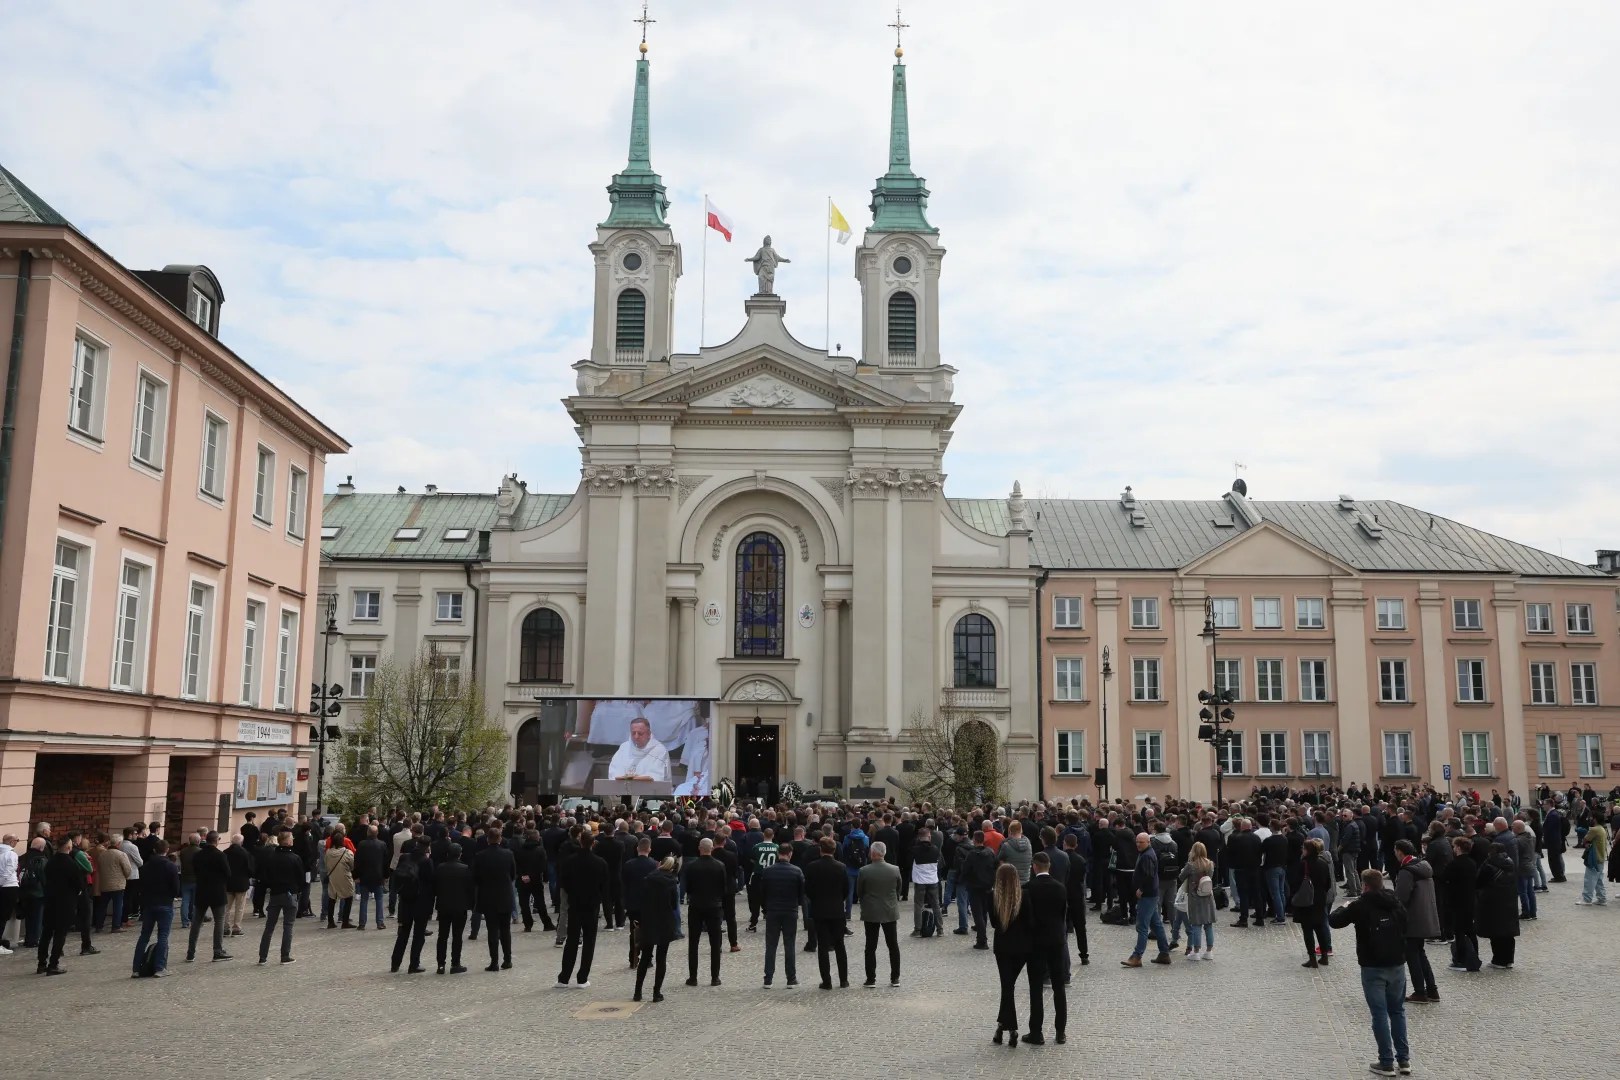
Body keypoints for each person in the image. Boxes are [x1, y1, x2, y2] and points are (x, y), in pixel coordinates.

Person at [1329, 870, 1411, 1077]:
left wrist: (1346, 905)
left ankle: (1386, 1061)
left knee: (1379, 1014)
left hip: (1372, 964)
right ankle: (1404, 1059)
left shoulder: (1360, 905)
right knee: (1398, 1011)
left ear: (1365, 886)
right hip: (1397, 962)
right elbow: (1407, 924)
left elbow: (1334, 920)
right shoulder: (1394, 902)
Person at [1024, 851, 1068, 1045]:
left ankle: (1036, 1031)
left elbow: (1026, 917)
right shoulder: (1060, 888)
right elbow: (1062, 914)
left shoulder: (1028, 888)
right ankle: (1060, 1031)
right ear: (1048, 866)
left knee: (1036, 988)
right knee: (1059, 987)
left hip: (1036, 942)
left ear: (1034, 867)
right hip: (1056, 940)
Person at [1391, 839, 1439, 1002]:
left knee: (1412, 955)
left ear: (1400, 852)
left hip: (1412, 918)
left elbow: (1401, 897)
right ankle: (1432, 989)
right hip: (1425, 915)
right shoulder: (1423, 866)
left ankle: (1420, 991)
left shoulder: (1406, 871)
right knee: (1420, 953)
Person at [557, 833, 607, 988]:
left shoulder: (569, 861)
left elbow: (563, 882)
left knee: (572, 940)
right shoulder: (600, 863)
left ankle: (564, 978)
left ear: (580, 841)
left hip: (575, 904)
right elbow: (604, 886)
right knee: (589, 941)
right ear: (593, 843)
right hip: (591, 905)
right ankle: (582, 978)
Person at [989, 862, 1031, 1047]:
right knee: (1008, 987)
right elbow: (1030, 922)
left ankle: (1009, 1028)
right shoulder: (1025, 896)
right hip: (1021, 949)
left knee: (1007, 987)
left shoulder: (992, 897)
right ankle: (1002, 1027)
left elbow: (993, 923)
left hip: (1002, 947)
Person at [805, 835, 850, 989]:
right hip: (837, 909)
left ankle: (827, 981)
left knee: (823, 946)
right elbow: (846, 890)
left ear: (820, 850)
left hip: (819, 909)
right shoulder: (841, 867)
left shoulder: (812, 867)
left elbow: (808, 890)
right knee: (839, 944)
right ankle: (844, 979)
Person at [131, 837, 180, 977]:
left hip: (149, 903)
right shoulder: (170, 866)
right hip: (165, 903)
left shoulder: (146, 866)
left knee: (144, 936)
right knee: (163, 936)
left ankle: (136, 968)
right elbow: (176, 888)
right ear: (167, 850)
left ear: (154, 850)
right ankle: (160, 967)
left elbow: (141, 886)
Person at [681, 836, 727, 987]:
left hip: (696, 905)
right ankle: (715, 977)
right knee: (715, 943)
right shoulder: (720, 865)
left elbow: (687, 888)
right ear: (712, 848)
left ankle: (693, 977)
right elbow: (723, 887)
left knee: (694, 943)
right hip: (714, 906)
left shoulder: (692, 866)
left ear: (700, 848)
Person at [1121, 832, 1171, 967]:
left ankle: (1137, 956)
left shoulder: (1147, 856)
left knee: (1142, 926)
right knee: (1156, 925)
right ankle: (1164, 953)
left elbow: (1149, 876)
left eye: (1141, 842)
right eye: (1137, 842)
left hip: (1147, 895)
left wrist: (1141, 889)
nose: (1138, 844)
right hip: (1151, 894)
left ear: (1148, 842)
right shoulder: (1147, 853)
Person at [856, 839, 902, 987]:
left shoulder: (864, 871)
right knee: (893, 945)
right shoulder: (894, 869)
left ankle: (871, 978)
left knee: (870, 946)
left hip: (871, 910)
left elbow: (859, 892)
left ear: (872, 853)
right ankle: (895, 977)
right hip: (889, 909)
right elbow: (898, 889)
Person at [633, 857, 679, 1002]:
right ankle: (656, 992)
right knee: (661, 957)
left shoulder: (647, 880)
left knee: (645, 957)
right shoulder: (672, 882)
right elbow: (674, 904)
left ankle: (637, 992)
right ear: (671, 869)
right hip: (665, 921)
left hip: (649, 920)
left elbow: (640, 900)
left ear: (660, 864)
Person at [472, 824, 517, 971]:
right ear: (500, 839)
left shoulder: (480, 856)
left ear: (487, 840)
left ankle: (494, 962)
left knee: (492, 930)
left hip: (488, 896)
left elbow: (476, 877)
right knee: (506, 929)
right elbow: (512, 875)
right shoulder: (508, 854)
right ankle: (508, 959)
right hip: (505, 895)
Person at [759, 842, 804, 988]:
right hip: (790, 911)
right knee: (789, 944)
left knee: (771, 945)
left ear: (779, 854)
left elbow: (763, 893)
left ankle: (768, 978)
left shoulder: (767, 871)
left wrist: (765, 909)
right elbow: (801, 894)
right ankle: (791, 978)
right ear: (790, 855)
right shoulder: (797, 871)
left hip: (772, 911)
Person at [36, 834, 81, 974]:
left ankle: (42, 963)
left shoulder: (51, 862)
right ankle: (53, 964)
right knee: (60, 934)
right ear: (69, 847)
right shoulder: (71, 864)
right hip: (65, 903)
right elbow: (79, 885)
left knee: (46, 933)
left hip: (50, 900)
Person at [257, 832, 303, 965]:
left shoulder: (271, 857)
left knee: (269, 927)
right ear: (288, 842)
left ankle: (262, 956)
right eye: (291, 839)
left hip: (275, 894)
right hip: (290, 894)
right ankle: (285, 955)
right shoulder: (294, 858)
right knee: (288, 926)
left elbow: (265, 876)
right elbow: (300, 878)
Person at [389, 841, 435, 974]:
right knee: (418, 935)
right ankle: (414, 964)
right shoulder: (426, 862)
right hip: (421, 902)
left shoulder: (405, 857)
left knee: (403, 934)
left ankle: (395, 963)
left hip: (405, 900)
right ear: (427, 848)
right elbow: (431, 884)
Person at [186, 832, 231, 963]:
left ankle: (191, 952)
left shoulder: (197, 855)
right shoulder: (220, 855)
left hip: (201, 890)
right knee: (219, 921)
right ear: (216, 841)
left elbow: (195, 871)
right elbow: (228, 873)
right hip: (217, 891)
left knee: (196, 923)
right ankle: (217, 951)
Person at [1475, 841, 1520, 969]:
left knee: (1495, 932)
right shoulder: (1510, 863)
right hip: (1509, 900)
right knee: (1508, 933)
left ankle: (1498, 960)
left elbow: (1478, 882)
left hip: (1493, 902)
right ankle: (1509, 959)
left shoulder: (1489, 865)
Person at [1291, 837, 1334, 967]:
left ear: (1307, 850)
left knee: (1308, 930)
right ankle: (1324, 956)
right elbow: (1328, 883)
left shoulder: (1303, 863)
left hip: (1306, 900)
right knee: (1320, 928)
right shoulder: (1323, 863)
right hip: (1320, 899)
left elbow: (1296, 882)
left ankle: (1312, 959)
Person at [433, 843, 475, 974]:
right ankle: (455, 963)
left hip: (444, 906)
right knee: (457, 936)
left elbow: (435, 887)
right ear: (460, 854)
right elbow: (470, 889)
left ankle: (441, 964)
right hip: (460, 906)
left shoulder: (440, 868)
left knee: (442, 936)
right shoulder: (465, 868)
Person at [1443, 836, 1480, 973]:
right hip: (1470, 900)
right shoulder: (1471, 863)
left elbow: (1446, 880)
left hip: (1457, 902)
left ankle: (1462, 959)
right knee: (1470, 930)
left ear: (1458, 848)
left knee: (1459, 931)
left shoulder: (1454, 864)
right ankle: (1474, 955)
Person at [1178, 841, 1217, 961]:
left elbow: (1181, 877)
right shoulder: (1210, 864)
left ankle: (1196, 952)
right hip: (1208, 896)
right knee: (1208, 924)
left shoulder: (1191, 865)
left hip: (1195, 897)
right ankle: (1209, 951)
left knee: (1196, 925)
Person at [961, 830, 998, 950]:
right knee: (983, 913)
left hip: (974, 886)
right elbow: (995, 867)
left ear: (975, 840)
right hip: (987, 886)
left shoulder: (971, 855)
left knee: (977, 914)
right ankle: (981, 938)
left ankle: (982, 940)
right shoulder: (991, 852)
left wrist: (965, 880)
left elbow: (965, 870)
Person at [608, 717, 672, 782]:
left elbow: (659, 776)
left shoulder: (659, 750)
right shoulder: (624, 747)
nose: (636, 737)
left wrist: (636, 778)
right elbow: (614, 770)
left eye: (640, 733)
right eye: (633, 733)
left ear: (649, 734)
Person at [516, 828, 555, 933]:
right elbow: (542, 866)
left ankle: (527, 924)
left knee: (524, 903)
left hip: (522, 880)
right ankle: (546, 923)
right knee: (540, 902)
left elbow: (516, 865)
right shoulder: (540, 850)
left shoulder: (519, 850)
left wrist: (522, 875)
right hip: (535, 880)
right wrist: (533, 876)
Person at [1060, 831, 1089, 966]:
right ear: (1076, 845)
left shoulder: (1062, 858)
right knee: (1080, 927)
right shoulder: (1080, 860)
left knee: (1062, 925)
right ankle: (1084, 954)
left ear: (1065, 844)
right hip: (1076, 895)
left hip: (1064, 894)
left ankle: (1061, 951)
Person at [909, 827, 943, 937]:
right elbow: (941, 864)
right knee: (936, 905)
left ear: (919, 838)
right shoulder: (936, 849)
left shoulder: (914, 850)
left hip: (919, 881)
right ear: (929, 837)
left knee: (918, 905)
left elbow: (908, 862)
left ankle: (917, 930)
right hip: (932, 880)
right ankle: (940, 929)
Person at [354, 825, 388, 930]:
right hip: (378, 876)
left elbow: (357, 862)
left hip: (364, 876)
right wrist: (386, 876)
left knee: (364, 900)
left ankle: (362, 923)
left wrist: (356, 876)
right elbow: (386, 862)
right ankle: (380, 922)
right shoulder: (382, 844)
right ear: (377, 833)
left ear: (368, 833)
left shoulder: (361, 844)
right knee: (379, 899)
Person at [322, 830, 356, 929]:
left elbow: (326, 864)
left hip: (332, 877)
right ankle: (345, 921)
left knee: (332, 898)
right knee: (348, 898)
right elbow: (352, 865)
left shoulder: (328, 852)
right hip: (345, 878)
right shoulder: (347, 853)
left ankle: (330, 921)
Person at [1578, 814, 1608, 905]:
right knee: (1599, 880)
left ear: (1595, 819)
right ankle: (1601, 898)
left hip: (1594, 857)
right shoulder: (1602, 829)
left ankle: (1587, 899)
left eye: (1591, 817)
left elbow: (1585, 839)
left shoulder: (1594, 829)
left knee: (1589, 879)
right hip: (1601, 857)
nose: (1590, 819)